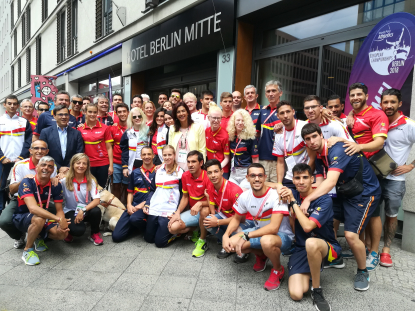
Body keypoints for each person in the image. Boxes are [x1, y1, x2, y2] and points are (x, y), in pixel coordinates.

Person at [301, 123, 380, 291]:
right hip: (345, 191)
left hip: (365, 192)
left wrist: (308, 199)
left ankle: (362, 271)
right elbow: (321, 182)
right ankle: (336, 258)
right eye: (308, 139)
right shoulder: (320, 154)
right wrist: (304, 195)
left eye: (314, 136)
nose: (312, 141)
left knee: (351, 236)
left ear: (321, 135)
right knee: (327, 222)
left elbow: (330, 182)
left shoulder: (336, 149)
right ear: (305, 143)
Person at [337, 83, 389, 271]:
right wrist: (349, 115)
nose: (355, 97)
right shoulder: (352, 115)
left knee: (373, 212)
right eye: (352, 95)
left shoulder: (377, 114)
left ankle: (374, 252)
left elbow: (379, 143)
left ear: (367, 96)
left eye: (359, 94)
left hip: (371, 170)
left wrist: (359, 147)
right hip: (353, 171)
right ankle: (362, 247)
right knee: (362, 211)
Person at [222, 163, 294, 291]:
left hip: (282, 236)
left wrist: (246, 235)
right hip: (259, 233)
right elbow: (236, 219)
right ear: (247, 178)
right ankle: (262, 255)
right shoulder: (245, 196)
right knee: (232, 244)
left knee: (266, 240)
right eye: (253, 175)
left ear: (265, 177)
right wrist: (225, 235)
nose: (257, 179)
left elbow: (273, 228)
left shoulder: (276, 195)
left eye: (260, 175)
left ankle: (278, 270)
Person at [284, 163, 342, 311]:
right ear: (293, 180)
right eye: (297, 178)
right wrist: (280, 188)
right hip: (301, 249)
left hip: (326, 247)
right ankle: (311, 268)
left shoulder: (324, 199)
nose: (301, 181)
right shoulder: (293, 193)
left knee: (311, 243)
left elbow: (307, 227)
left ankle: (317, 290)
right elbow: (272, 185)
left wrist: (293, 203)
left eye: (305, 177)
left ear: (312, 179)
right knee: (297, 294)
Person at [378, 88, 415, 267]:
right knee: (371, 213)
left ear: (400, 104)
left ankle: (386, 250)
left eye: (393, 102)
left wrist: (411, 165)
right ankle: (370, 247)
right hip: (374, 177)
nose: (389, 105)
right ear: (381, 103)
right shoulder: (377, 120)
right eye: (386, 102)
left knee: (391, 214)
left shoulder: (408, 125)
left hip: (395, 180)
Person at [0, 140, 57, 249]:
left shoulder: (51, 165)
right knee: (4, 221)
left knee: (57, 211)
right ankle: (19, 235)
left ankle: (38, 235)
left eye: (43, 148)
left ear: (47, 151)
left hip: (42, 200)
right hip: (20, 199)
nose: (39, 151)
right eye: (36, 148)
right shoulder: (20, 165)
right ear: (30, 150)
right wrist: (24, 181)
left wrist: (55, 179)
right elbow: (11, 190)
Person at [12, 156, 68, 265]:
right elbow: (33, 208)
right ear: (37, 167)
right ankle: (27, 250)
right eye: (43, 165)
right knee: (39, 219)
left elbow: (59, 209)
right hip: (22, 216)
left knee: (62, 234)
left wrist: (62, 222)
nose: (46, 168)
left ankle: (38, 236)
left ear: (53, 170)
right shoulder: (27, 182)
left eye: (50, 166)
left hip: (42, 217)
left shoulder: (56, 184)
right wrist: (58, 219)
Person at [201, 159, 252, 261]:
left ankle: (244, 250)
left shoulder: (234, 190)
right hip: (226, 216)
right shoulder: (211, 185)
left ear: (222, 172)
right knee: (207, 222)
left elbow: (240, 218)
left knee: (237, 229)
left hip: (246, 220)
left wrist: (218, 222)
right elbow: (211, 201)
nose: (213, 175)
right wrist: (213, 217)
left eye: (216, 171)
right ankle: (227, 244)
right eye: (210, 173)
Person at [140, 145, 184, 247]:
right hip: (155, 207)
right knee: (148, 239)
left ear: (174, 155)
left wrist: (177, 212)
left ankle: (177, 234)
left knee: (160, 243)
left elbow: (183, 195)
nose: (167, 157)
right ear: (162, 156)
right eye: (165, 155)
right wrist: (147, 204)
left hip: (169, 209)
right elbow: (152, 190)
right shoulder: (158, 170)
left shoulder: (180, 172)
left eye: (170, 155)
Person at [168, 151, 210, 257]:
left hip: (208, 211)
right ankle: (195, 229)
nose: (190, 164)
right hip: (193, 212)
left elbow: (215, 201)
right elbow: (185, 197)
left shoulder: (208, 176)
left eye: (194, 162)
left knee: (205, 210)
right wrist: (177, 212)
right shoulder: (185, 175)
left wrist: (201, 203)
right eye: (188, 162)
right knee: (173, 228)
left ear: (201, 163)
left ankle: (202, 240)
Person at [112, 147, 156, 243]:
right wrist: (128, 205)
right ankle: (135, 227)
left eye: (149, 154)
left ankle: (143, 227)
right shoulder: (135, 172)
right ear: (140, 156)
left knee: (135, 219)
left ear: (153, 156)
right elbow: (130, 191)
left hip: (150, 206)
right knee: (116, 236)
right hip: (134, 205)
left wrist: (142, 205)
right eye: (144, 154)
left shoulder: (158, 172)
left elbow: (157, 194)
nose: (146, 157)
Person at [60, 153, 102, 245]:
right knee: (78, 231)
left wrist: (82, 210)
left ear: (87, 166)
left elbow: (96, 200)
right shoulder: (64, 181)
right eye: (78, 163)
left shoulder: (91, 180)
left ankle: (94, 233)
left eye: (84, 163)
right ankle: (69, 232)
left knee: (96, 210)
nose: (81, 166)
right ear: (73, 165)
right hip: (70, 210)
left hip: (85, 210)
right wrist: (53, 179)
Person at [0, 95, 32, 212]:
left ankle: (18, 210)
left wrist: (22, 157)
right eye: (9, 103)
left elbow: (28, 142)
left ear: (18, 106)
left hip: (20, 161)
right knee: (1, 187)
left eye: (14, 104)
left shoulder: (24, 122)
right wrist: (1, 157)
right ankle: (1, 211)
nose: (12, 106)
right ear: (5, 105)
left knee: (19, 186)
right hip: (3, 161)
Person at [272, 101, 311, 190]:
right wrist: (279, 183)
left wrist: (307, 176)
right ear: (278, 116)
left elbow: (312, 157)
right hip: (290, 177)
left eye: (288, 112)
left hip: (306, 176)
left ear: (293, 112)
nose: (285, 115)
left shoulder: (304, 126)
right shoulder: (278, 135)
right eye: (282, 113)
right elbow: (280, 162)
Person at [39, 105, 84, 177]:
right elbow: (43, 152)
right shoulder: (45, 132)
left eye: (66, 114)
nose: (63, 117)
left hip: (71, 171)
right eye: (60, 114)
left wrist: (68, 168)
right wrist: (58, 167)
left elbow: (79, 153)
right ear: (54, 116)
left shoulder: (76, 133)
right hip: (51, 170)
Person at [78, 103, 114, 188]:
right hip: (87, 164)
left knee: (101, 188)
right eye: (90, 112)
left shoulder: (105, 128)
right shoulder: (80, 129)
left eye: (95, 112)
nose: (92, 114)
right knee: (88, 188)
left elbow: (109, 148)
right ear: (85, 112)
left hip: (103, 164)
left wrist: (111, 166)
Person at [256, 80, 282, 183]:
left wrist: (283, 124)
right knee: (262, 187)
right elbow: (257, 133)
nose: (270, 94)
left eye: (273, 91)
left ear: (280, 93)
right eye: (268, 91)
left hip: (279, 159)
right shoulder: (262, 111)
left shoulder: (286, 110)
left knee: (277, 189)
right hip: (263, 157)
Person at [169, 102, 206, 171]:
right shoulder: (172, 129)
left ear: (187, 112)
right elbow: (170, 149)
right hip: (176, 167)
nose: (181, 114)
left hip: (193, 166)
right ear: (176, 115)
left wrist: (201, 166)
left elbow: (202, 149)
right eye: (178, 112)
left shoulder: (198, 127)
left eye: (183, 111)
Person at [227, 109, 259, 190]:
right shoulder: (231, 136)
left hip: (246, 173)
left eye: (243, 120)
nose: (240, 123)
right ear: (234, 121)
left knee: (241, 195)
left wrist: (254, 176)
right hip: (233, 173)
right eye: (238, 120)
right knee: (231, 195)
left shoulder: (251, 137)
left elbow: (255, 160)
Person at [110, 103, 129, 205]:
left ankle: (125, 208)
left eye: (124, 111)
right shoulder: (112, 128)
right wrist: (111, 164)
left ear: (128, 112)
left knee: (127, 187)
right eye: (119, 112)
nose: (122, 114)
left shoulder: (132, 128)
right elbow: (109, 147)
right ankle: (116, 208)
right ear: (116, 114)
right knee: (116, 186)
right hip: (116, 162)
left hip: (128, 163)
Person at [121, 108, 149, 178]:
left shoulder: (149, 130)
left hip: (147, 164)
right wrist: (125, 167)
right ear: (131, 119)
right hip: (132, 165)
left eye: (139, 116)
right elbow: (124, 151)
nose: (137, 118)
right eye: (134, 117)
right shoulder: (127, 133)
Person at [205, 103, 230, 179]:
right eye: (214, 118)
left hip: (222, 169)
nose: (216, 121)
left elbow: (227, 158)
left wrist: (217, 168)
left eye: (218, 118)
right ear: (208, 118)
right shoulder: (206, 131)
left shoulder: (225, 136)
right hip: (209, 168)